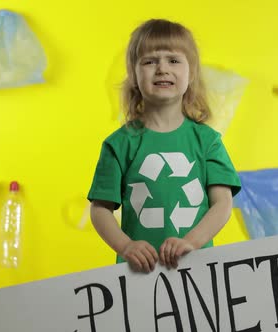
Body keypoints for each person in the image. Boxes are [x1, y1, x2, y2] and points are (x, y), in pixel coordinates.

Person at [88, 19, 241, 273]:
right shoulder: (118, 145)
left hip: (197, 269)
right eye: (149, 61)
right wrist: (126, 247)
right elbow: (100, 209)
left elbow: (222, 203)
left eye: (173, 60)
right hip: (138, 273)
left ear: (191, 73)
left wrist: (191, 242)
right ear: (134, 76)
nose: (162, 69)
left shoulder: (208, 142)